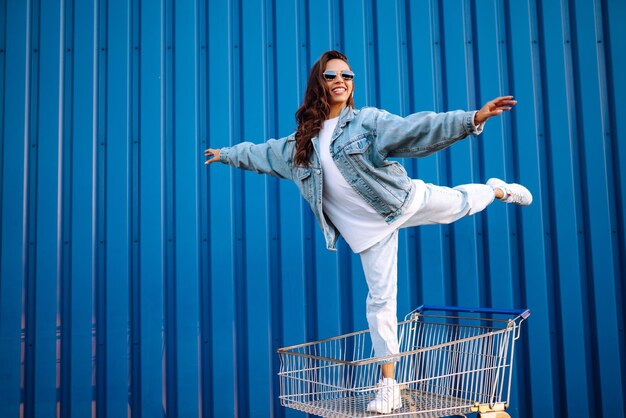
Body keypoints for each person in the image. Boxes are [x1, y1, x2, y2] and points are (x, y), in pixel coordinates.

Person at [204, 50, 532, 414]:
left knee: (457, 205)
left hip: (402, 201)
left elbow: (416, 128)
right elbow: (263, 154)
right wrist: (227, 154)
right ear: (319, 84)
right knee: (380, 302)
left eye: (347, 74)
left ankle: (497, 189)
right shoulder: (301, 144)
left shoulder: (367, 122)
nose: (341, 80)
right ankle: (388, 384)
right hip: (368, 232)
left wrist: (472, 118)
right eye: (331, 76)